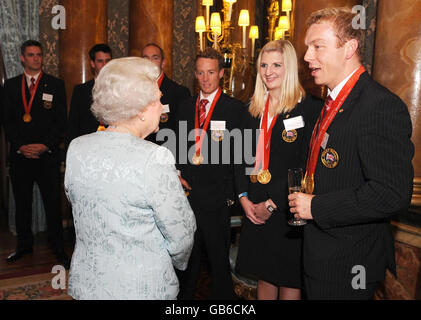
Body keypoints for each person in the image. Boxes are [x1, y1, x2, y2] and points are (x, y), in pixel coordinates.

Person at [289, 7, 414, 299]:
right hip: (320, 256)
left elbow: (391, 193)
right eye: (308, 47)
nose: (307, 56)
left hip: (349, 264)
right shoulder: (331, 102)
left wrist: (315, 207)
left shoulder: (378, 105)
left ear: (349, 47)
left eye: (317, 46)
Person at [65, 57, 196, 300]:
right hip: (140, 288)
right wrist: (175, 262)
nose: (161, 104)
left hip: (89, 284)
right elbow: (181, 235)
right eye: (157, 98)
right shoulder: (155, 157)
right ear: (141, 110)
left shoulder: (76, 148)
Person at [234, 40, 322, 300]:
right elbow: (240, 158)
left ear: (290, 68)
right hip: (254, 207)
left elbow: (307, 167)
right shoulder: (251, 110)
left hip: (287, 210)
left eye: (276, 65)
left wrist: (273, 204)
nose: (268, 71)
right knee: (264, 276)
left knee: (288, 281)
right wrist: (243, 198)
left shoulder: (308, 108)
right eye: (263, 65)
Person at [176, 48, 246, 300]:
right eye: (201, 73)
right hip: (187, 197)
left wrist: (230, 196)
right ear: (195, 74)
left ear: (221, 74)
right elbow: (177, 150)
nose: (206, 79)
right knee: (187, 263)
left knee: (218, 263)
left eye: (211, 73)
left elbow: (242, 156)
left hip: (217, 200)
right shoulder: (184, 107)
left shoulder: (235, 109)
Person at [3, 40, 69, 268]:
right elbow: (8, 122)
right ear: (22, 58)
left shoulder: (55, 85)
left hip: (47, 156)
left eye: (39, 55)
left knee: (52, 204)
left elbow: (61, 122)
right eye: (31, 55)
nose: (36, 58)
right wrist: (21, 146)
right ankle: (23, 245)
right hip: (21, 157)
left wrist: (44, 145)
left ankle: (58, 247)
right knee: (22, 204)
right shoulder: (11, 86)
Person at [142, 43, 190, 145]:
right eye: (146, 58)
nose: (150, 62)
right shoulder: (134, 91)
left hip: (166, 154)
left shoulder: (179, 93)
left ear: (163, 63)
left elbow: (183, 134)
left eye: (155, 58)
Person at [67, 44, 112, 145]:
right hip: (86, 145)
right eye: (100, 61)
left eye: (107, 61)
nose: (104, 65)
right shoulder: (80, 91)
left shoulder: (119, 89)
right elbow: (73, 125)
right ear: (92, 63)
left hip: (112, 145)